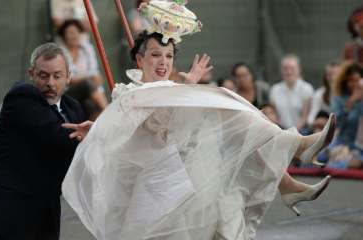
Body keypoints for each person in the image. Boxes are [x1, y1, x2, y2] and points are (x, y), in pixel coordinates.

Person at [62, 28, 335, 240]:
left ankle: (292, 160)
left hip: (192, 174)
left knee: (222, 105)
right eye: (156, 54)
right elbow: (125, 127)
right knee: (219, 101)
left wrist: (188, 86)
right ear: (139, 58)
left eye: (169, 56)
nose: (163, 62)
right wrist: (97, 128)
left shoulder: (171, 88)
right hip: (159, 186)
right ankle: (292, 161)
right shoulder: (131, 93)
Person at [0, 43, 91, 240]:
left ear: (69, 77)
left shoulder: (73, 108)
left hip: (39, 219)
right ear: (31, 74)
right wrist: (96, 135)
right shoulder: (22, 97)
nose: (50, 83)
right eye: (43, 75)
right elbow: (55, 135)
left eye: (57, 76)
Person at [269, 54, 314, 131]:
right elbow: (274, 115)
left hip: (301, 133)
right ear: (281, 70)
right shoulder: (275, 90)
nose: (289, 72)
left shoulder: (307, 89)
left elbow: (305, 117)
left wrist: (292, 132)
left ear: (299, 69)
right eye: (285, 68)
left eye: (292, 68)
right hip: (280, 131)